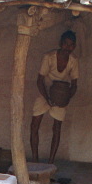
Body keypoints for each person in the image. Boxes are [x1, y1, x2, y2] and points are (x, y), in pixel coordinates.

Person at [30, 30, 79, 163]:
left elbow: (74, 84)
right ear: (60, 44)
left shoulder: (73, 61)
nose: (68, 47)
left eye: (71, 45)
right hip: (44, 91)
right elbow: (39, 80)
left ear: (74, 46)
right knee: (34, 125)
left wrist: (67, 99)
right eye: (65, 44)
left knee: (57, 127)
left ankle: (51, 163)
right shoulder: (49, 57)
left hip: (60, 95)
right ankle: (35, 160)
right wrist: (47, 98)